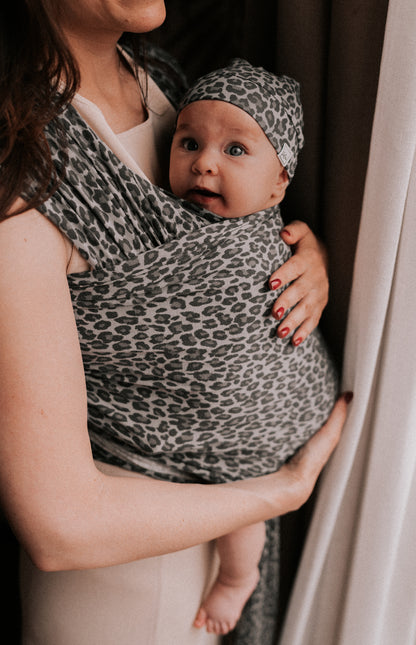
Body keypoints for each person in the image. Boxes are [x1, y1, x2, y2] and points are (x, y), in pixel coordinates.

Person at [0, 2, 351, 644]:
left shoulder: (160, 73)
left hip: (214, 537)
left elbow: (228, 233)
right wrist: (283, 489)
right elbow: (60, 524)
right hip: (125, 581)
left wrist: (301, 257)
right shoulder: (20, 160)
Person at [168, 59, 338, 635]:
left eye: (235, 150)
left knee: (240, 494)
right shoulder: (170, 219)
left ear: (279, 184)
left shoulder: (277, 235)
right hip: (237, 415)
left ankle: (238, 578)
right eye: (188, 142)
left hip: (266, 422)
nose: (205, 162)